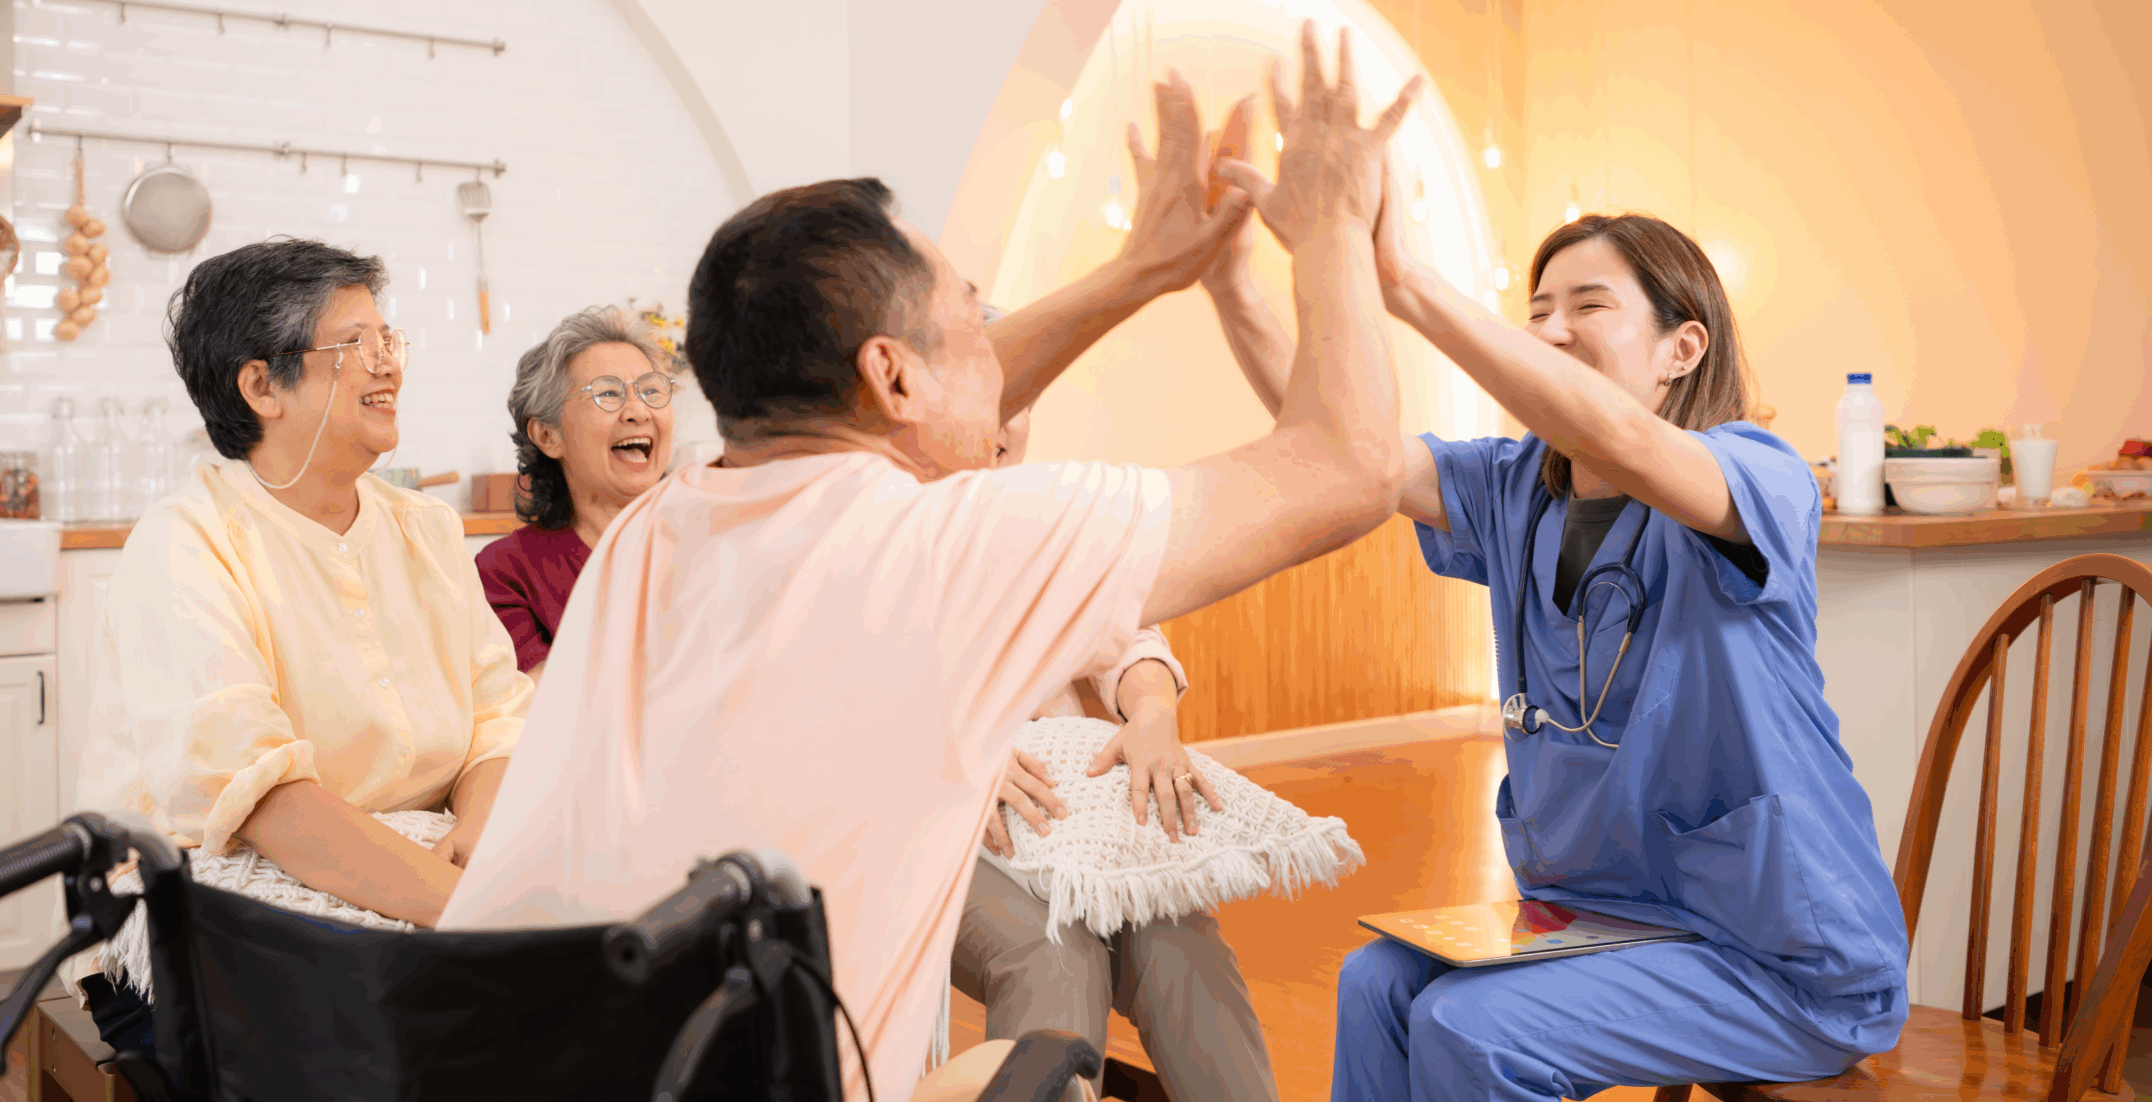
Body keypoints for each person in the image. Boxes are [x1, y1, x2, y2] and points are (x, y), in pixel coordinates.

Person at [443, 30, 1421, 1099]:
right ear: (893, 376)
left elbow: (900, 419)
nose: (996, 359)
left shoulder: (656, 527)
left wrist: (1140, 274)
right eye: (970, 324)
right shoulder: (948, 545)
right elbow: (1351, 466)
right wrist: (1330, 222)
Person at [1205, 147, 1909, 1097]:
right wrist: (1230, 282)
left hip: (1777, 953)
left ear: (1682, 350)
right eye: (1537, 310)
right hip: (1608, 915)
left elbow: (1620, 436)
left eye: (1587, 306)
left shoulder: (1758, 476)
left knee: (1471, 1027)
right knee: (1376, 984)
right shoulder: (1514, 491)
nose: (1550, 331)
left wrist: (1406, 282)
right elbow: (1343, 441)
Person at [72, 238, 533, 1063]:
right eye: (355, 344)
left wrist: (480, 834)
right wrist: (475, 911)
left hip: (426, 864)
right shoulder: (186, 543)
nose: (388, 364)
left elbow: (499, 718)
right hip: (200, 910)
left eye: (388, 339)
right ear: (261, 387)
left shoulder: (426, 529)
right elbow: (263, 799)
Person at [955, 406, 1277, 1102]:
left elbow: (1127, 637)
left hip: (1064, 821)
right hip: (941, 833)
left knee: (1182, 946)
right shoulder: (871, 530)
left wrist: (1153, 710)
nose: (1000, 426)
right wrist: (951, 753)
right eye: (987, 398)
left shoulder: (1043, 517)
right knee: (1053, 953)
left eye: (1018, 405)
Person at [476, 305, 680, 680]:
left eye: (651, 390)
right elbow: (542, 703)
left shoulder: (708, 543)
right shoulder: (506, 573)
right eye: (607, 393)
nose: (638, 411)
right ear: (547, 435)